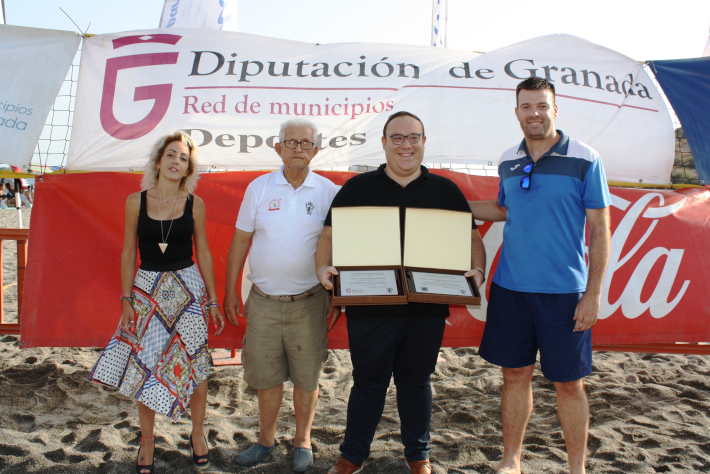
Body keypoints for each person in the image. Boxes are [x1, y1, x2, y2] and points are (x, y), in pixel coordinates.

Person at [316, 111, 486, 474]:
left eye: (414, 137)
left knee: (416, 382)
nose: (406, 145)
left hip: (425, 308)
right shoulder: (358, 188)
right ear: (384, 142)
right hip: (370, 306)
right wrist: (323, 268)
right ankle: (352, 456)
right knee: (368, 383)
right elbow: (329, 235)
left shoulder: (445, 190)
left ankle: (418, 456)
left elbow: (471, 237)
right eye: (397, 138)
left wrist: (478, 270)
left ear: (424, 142)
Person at [470, 77, 611, 474]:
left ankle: (576, 469)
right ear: (516, 112)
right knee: (514, 376)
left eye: (542, 106)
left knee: (569, 384)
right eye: (526, 106)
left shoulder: (585, 158)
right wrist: (454, 206)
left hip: (565, 294)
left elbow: (600, 230)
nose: (534, 114)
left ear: (555, 109)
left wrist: (593, 293)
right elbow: (504, 208)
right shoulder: (507, 160)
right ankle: (511, 461)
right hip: (511, 290)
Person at [88, 131, 226, 474]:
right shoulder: (135, 201)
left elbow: (204, 253)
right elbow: (126, 253)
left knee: (195, 362)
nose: (177, 162)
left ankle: (197, 434)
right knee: (144, 362)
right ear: (158, 160)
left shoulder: (196, 204)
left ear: (188, 167)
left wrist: (212, 301)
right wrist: (126, 299)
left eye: (183, 158)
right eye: (171, 155)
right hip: (147, 288)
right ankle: (147, 439)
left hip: (189, 288)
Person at [223, 118, 339, 473]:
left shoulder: (329, 191)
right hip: (263, 302)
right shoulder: (258, 188)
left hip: (310, 302)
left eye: (306, 143)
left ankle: (303, 440)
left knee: (307, 377)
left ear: (316, 150)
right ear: (278, 147)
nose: (298, 150)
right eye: (291, 143)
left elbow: (338, 245)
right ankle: (266, 439)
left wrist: (336, 299)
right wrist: (231, 291)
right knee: (267, 375)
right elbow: (241, 239)